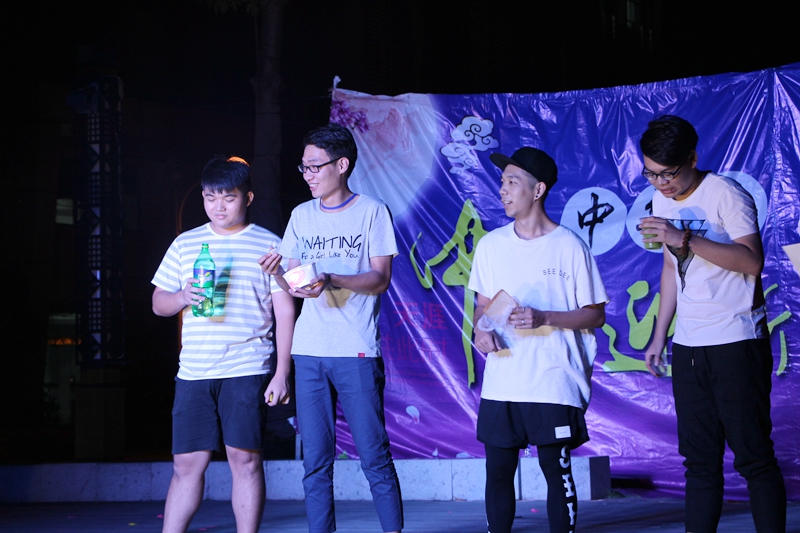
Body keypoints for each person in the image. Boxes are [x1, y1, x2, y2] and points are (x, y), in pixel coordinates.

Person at [639, 115, 786, 533]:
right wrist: (660, 335)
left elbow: (751, 261)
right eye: (651, 174)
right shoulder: (661, 201)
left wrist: (683, 238)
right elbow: (671, 269)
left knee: (754, 457)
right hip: (689, 344)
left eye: (668, 173)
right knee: (699, 461)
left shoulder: (726, 193)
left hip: (736, 338)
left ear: (692, 158)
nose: (661, 184)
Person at [259, 123, 403, 533]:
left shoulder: (372, 211)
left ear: (342, 165)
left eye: (315, 166)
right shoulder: (301, 215)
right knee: (315, 461)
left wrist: (333, 278)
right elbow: (296, 285)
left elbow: (380, 279)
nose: (308, 175)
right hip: (309, 351)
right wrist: (277, 273)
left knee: (374, 455)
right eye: (303, 168)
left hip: (355, 350)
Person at [151, 156, 295, 533]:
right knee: (186, 464)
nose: (219, 206)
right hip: (194, 370)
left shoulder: (269, 244)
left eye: (228, 198)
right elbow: (158, 303)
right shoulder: (186, 244)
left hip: (247, 367)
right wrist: (182, 296)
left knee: (244, 460)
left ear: (247, 198)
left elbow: (285, 311)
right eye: (211, 197)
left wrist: (282, 372)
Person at [469, 147, 608, 533]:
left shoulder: (570, 246)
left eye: (512, 182)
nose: (503, 189)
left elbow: (595, 314)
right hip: (503, 379)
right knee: (498, 470)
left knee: (554, 469)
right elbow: (482, 307)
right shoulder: (491, 245)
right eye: (502, 182)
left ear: (538, 189)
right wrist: (481, 329)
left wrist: (546, 317)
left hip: (553, 379)